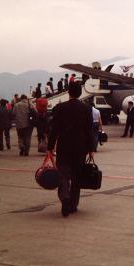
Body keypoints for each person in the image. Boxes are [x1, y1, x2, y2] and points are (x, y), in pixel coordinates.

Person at [47, 81, 94, 217]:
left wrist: (50, 147)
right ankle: (73, 204)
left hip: (64, 147)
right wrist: (91, 149)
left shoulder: (60, 108)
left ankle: (64, 197)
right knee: (76, 177)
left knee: (63, 175)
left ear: (69, 92)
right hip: (80, 148)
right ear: (80, 93)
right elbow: (89, 131)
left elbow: (54, 130)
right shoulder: (87, 109)